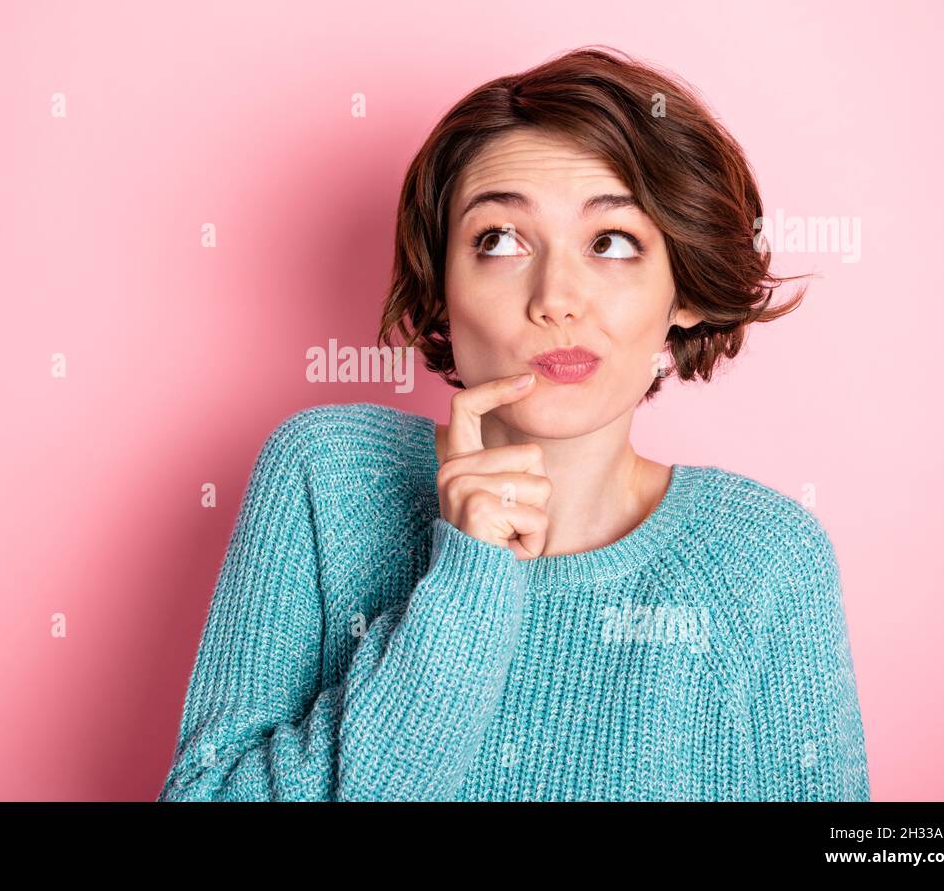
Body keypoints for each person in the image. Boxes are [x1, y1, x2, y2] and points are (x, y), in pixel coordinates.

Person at [157, 46, 870, 801]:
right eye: (500, 240)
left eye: (613, 243)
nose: (556, 298)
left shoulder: (764, 561)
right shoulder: (327, 476)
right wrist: (467, 587)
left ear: (683, 290)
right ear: (440, 292)